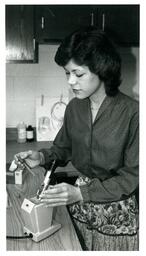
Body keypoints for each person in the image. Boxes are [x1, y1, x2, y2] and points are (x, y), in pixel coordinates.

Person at [15, 26, 139, 251]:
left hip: (115, 216)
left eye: (78, 74)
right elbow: (64, 148)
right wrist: (41, 156)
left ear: (102, 69)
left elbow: (132, 177)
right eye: (67, 73)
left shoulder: (133, 113)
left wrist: (81, 192)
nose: (71, 82)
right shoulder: (74, 107)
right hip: (79, 209)